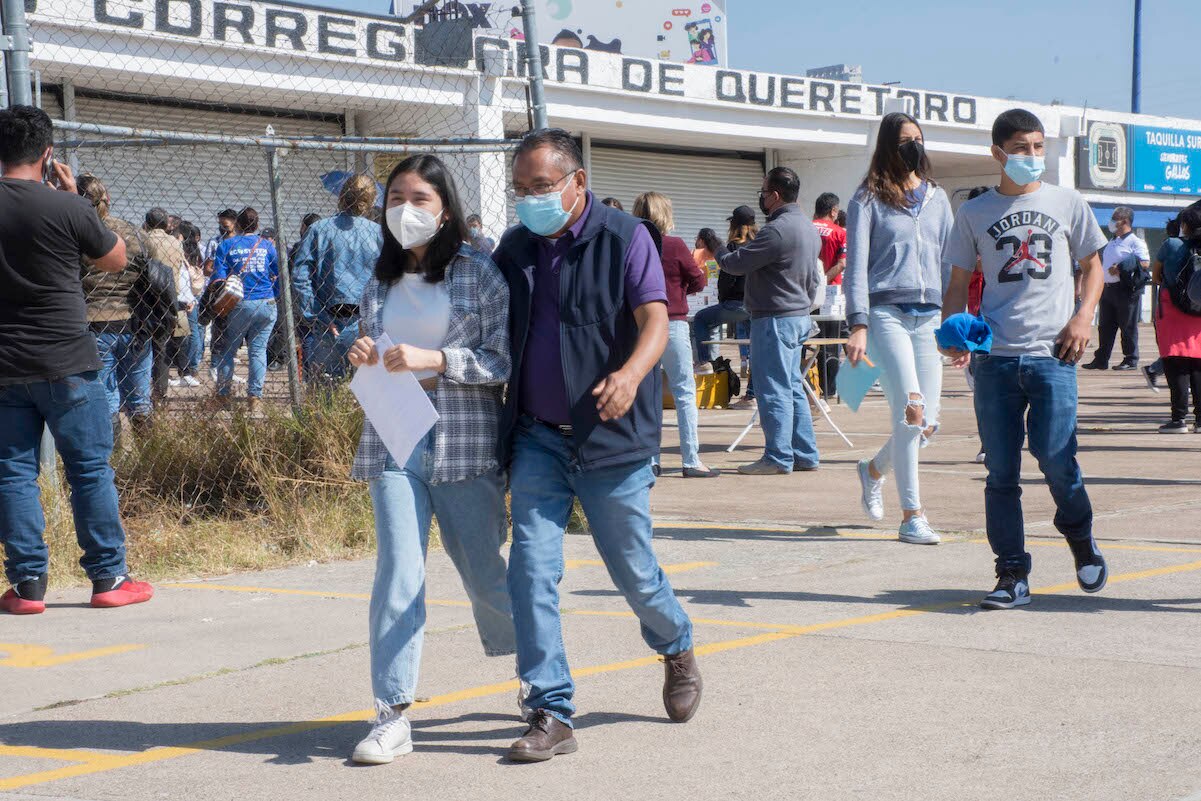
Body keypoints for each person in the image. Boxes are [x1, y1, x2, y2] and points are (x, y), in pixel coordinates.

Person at [493, 129, 701, 762]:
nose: (530, 199)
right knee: (531, 569)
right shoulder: (514, 249)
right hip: (537, 438)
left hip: (612, 439)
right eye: (521, 189)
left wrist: (633, 374)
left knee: (634, 574)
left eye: (542, 187)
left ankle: (677, 644)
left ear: (576, 182)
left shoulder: (624, 238)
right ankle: (550, 709)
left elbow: (656, 320)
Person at [345, 154, 516, 765]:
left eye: (420, 199)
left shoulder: (479, 275)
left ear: (445, 209)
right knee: (398, 572)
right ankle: (391, 713)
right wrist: (363, 351)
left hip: (464, 444)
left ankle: (534, 670)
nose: (405, 211)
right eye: (395, 199)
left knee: (483, 573)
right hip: (394, 438)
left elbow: (501, 362)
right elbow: (373, 350)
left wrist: (438, 360)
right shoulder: (378, 280)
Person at [941, 108, 1109, 610]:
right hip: (994, 359)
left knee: (1057, 458)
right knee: (1001, 473)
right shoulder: (973, 213)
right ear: (998, 154)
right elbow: (954, 286)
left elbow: (1093, 266)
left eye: (1038, 146)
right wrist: (953, 334)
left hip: (1053, 355)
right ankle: (1011, 573)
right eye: (1020, 148)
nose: (1032, 156)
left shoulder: (1067, 201)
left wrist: (1083, 318)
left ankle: (1079, 536)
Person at [0, 105, 154, 614]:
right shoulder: (67, 207)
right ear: (47, 155)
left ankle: (27, 586)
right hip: (68, 358)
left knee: (11, 473)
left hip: (5, 363)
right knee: (89, 470)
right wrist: (74, 202)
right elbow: (114, 258)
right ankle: (109, 578)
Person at [844, 112, 954, 545]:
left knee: (929, 423)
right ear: (889, 146)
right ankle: (913, 516)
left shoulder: (938, 199)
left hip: (930, 315)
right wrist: (858, 324)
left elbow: (950, 263)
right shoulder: (867, 198)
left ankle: (872, 471)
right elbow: (855, 267)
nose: (914, 146)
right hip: (887, 313)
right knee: (910, 410)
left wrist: (956, 324)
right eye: (906, 139)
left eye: (919, 139)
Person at [717, 167, 823, 475]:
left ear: (774, 196)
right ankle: (805, 453)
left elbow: (735, 264)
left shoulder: (777, 230)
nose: (761, 199)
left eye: (763, 194)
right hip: (796, 316)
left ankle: (777, 457)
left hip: (774, 319)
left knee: (773, 388)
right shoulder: (806, 226)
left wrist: (716, 247)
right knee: (791, 386)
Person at [633, 191, 719, 479]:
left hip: (640, 325)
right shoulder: (674, 244)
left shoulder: (631, 242)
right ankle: (691, 460)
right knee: (683, 391)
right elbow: (697, 279)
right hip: (672, 322)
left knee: (647, 394)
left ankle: (650, 460)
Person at [77, 175, 153, 437]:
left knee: (106, 399)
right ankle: (150, 454)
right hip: (136, 321)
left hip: (95, 322)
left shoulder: (78, 235)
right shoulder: (134, 233)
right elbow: (153, 270)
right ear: (107, 198)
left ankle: (113, 457)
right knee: (140, 399)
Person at [292, 174, 384, 384]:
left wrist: (316, 314)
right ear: (371, 200)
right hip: (367, 320)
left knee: (327, 385)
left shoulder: (319, 230)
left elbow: (300, 277)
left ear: (342, 195)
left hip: (328, 318)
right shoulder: (379, 234)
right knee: (368, 386)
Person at [210, 207, 279, 412]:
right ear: (257, 225)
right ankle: (254, 397)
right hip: (266, 302)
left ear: (238, 225)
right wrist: (273, 293)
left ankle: (223, 396)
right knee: (258, 351)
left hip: (239, 303)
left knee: (228, 350)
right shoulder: (267, 245)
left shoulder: (227, 245)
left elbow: (219, 277)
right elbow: (278, 272)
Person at [1151, 205, 1201, 433]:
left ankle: (1178, 419)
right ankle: (1200, 421)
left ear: (1185, 224)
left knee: (1176, 364)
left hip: (1172, 311)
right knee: (1198, 366)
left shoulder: (1171, 244)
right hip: (1199, 313)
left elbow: (1156, 275)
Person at [1083, 206, 1150, 371]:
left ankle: (1130, 359)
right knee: (1105, 326)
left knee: (1127, 326)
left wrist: (1121, 267)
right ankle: (1101, 359)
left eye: (1115, 219)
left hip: (1125, 290)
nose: (1112, 222)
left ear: (1125, 221)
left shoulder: (1136, 241)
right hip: (1108, 288)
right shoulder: (1113, 241)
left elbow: (1145, 263)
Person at [691, 219, 753, 380]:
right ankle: (751, 395)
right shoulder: (756, 245)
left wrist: (722, 298)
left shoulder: (730, 247)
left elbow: (727, 278)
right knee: (755, 347)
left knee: (700, 319)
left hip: (733, 303)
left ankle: (704, 362)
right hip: (752, 304)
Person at [143, 207, 192, 403]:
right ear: (165, 224)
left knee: (142, 345)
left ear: (147, 223)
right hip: (170, 298)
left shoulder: (143, 239)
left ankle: (140, 391)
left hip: (146, 298)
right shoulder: (175, 243)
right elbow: (178, 269)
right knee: (161, 347)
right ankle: (160, 393)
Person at [812, 191, 847, 398]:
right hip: (830, 294)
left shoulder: (805, 228)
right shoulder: (839, 233)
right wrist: (823, 283)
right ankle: (829, 390)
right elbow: (842, 263)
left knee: (803, 341)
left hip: (803, 294)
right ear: (834, 211)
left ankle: (802, 386)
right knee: (830, 343)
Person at [1143, 217, 1179, 393]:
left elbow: (1156, 276)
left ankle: (1155, 370)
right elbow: (1156, 275)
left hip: (1172, 304)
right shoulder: (1174, 246)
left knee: (1180, 347)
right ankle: (1155, 369)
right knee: (1180, 347)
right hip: (1176, 306)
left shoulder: (1172, 246)